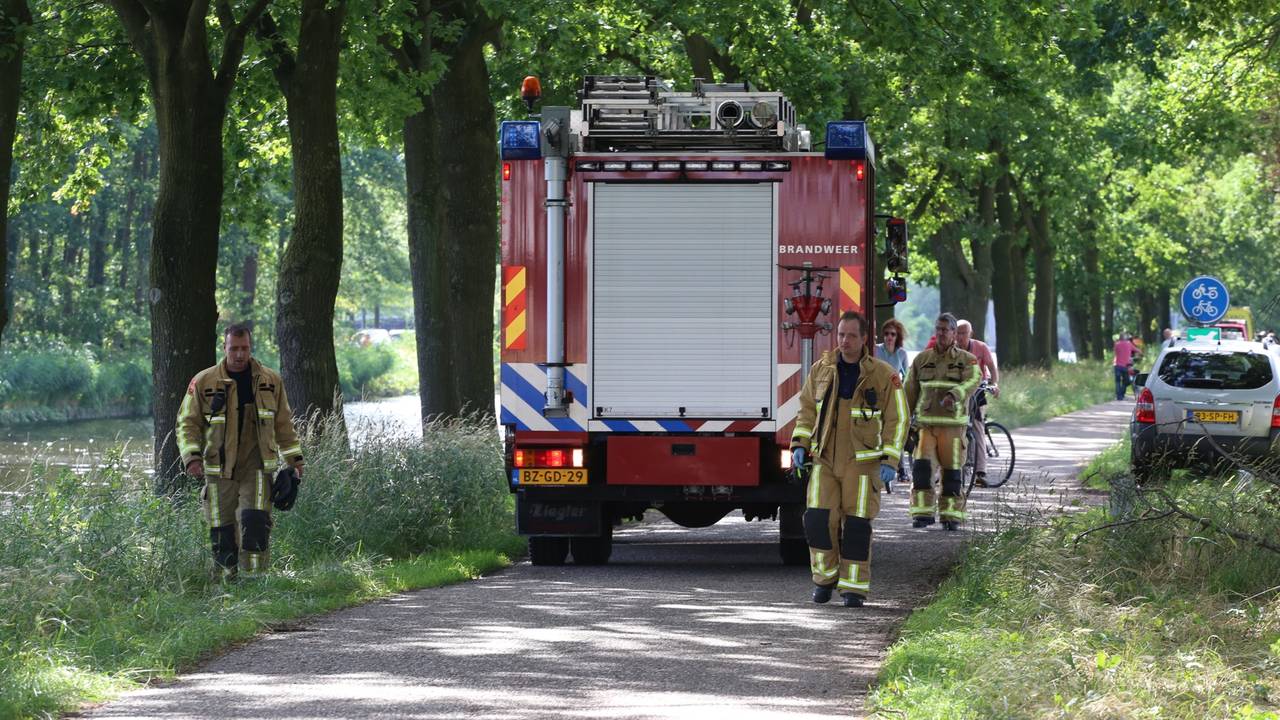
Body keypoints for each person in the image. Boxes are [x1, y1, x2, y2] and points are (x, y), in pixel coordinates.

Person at [790, 311, 907, 607]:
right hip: (824, 459)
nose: (844, 340)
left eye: (852, 335)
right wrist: (799, 444)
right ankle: (824, 579)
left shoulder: (882, 375)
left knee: (855, 527)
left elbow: (899, 418)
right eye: (841, 334)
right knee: (817, 521)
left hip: (863, 463)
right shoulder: (821, 370)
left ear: (865, 338)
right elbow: (806, 410)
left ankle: (854, 588)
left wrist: (890, 460)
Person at [177, 323, 305, 579]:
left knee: (255, 522)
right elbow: (186, 423)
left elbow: (283, 424)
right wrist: (191, 457)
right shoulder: (203, 382)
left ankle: (254, 583)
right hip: (218, 469)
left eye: (244, 348)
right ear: (223, 348)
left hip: (256, 466)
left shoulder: (270, 381)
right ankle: (226, 586)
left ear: (250, 347)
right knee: (221, 529)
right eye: (233, 348)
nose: (239, 354)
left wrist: (295, 460)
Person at [904, 313, 981, 531]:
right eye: (938, 328)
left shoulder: (967, 360)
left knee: (952, 473)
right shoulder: (921, 359)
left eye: (945, 329)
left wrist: (955, 394)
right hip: (926, 428)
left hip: (953, 428)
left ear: (955, 333)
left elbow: (974, 380)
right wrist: (903, 422)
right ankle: (922, 514)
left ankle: (951, 516)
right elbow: (909, 392)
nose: (941, 333)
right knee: (922, 471)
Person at [954, 320, 999, 487]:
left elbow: (992, 368)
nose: (959, 336)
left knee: (978, 428)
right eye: (957, 332)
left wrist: (994, 385)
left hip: (978, 391)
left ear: (970, 334)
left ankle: (980, 471)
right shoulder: (952, 349)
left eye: (963, 333)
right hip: (959, 393)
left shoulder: (981, 347)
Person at [1113, 332, 1140, 401]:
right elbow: (1137, 350)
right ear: (1125, 338)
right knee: (1126, 381)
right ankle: (1121, 394)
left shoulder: (1116, 344)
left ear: (1120, 337)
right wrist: (1140, 353)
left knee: (1118, 381)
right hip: (1125, 366)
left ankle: (1119, 397)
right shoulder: (1128, 344)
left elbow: (1116, 353)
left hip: (1117, 365)